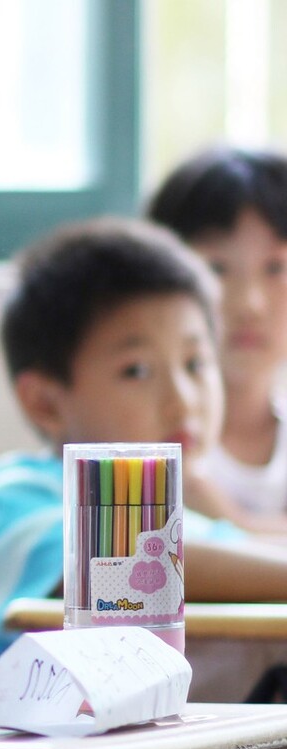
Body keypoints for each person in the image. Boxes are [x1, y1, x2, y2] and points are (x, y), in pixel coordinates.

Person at [0, 216, 287, 658]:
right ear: (45, 403)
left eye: (195, 364)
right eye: (137, 371)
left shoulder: (185, 518)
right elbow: (121, 564)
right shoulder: (3, 499)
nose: (182, 400)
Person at [149, 147, 287, 537]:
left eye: (276, 267)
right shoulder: (147, 444)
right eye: (216, 268)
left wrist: (233, 521)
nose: (249, 304)